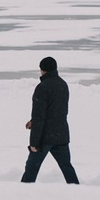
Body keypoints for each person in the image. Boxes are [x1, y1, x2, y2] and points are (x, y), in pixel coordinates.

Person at [22, 56, 79, 184]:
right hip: (61, 135)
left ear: (42, 70)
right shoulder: (63, 84)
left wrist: (34, 143)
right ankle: (77, 190)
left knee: (31, 168)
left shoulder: (42, 87)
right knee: (67, 168)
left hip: (45, 137)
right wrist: (33, 121)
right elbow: (58, 110)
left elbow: (39, 116)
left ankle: (22, 193)